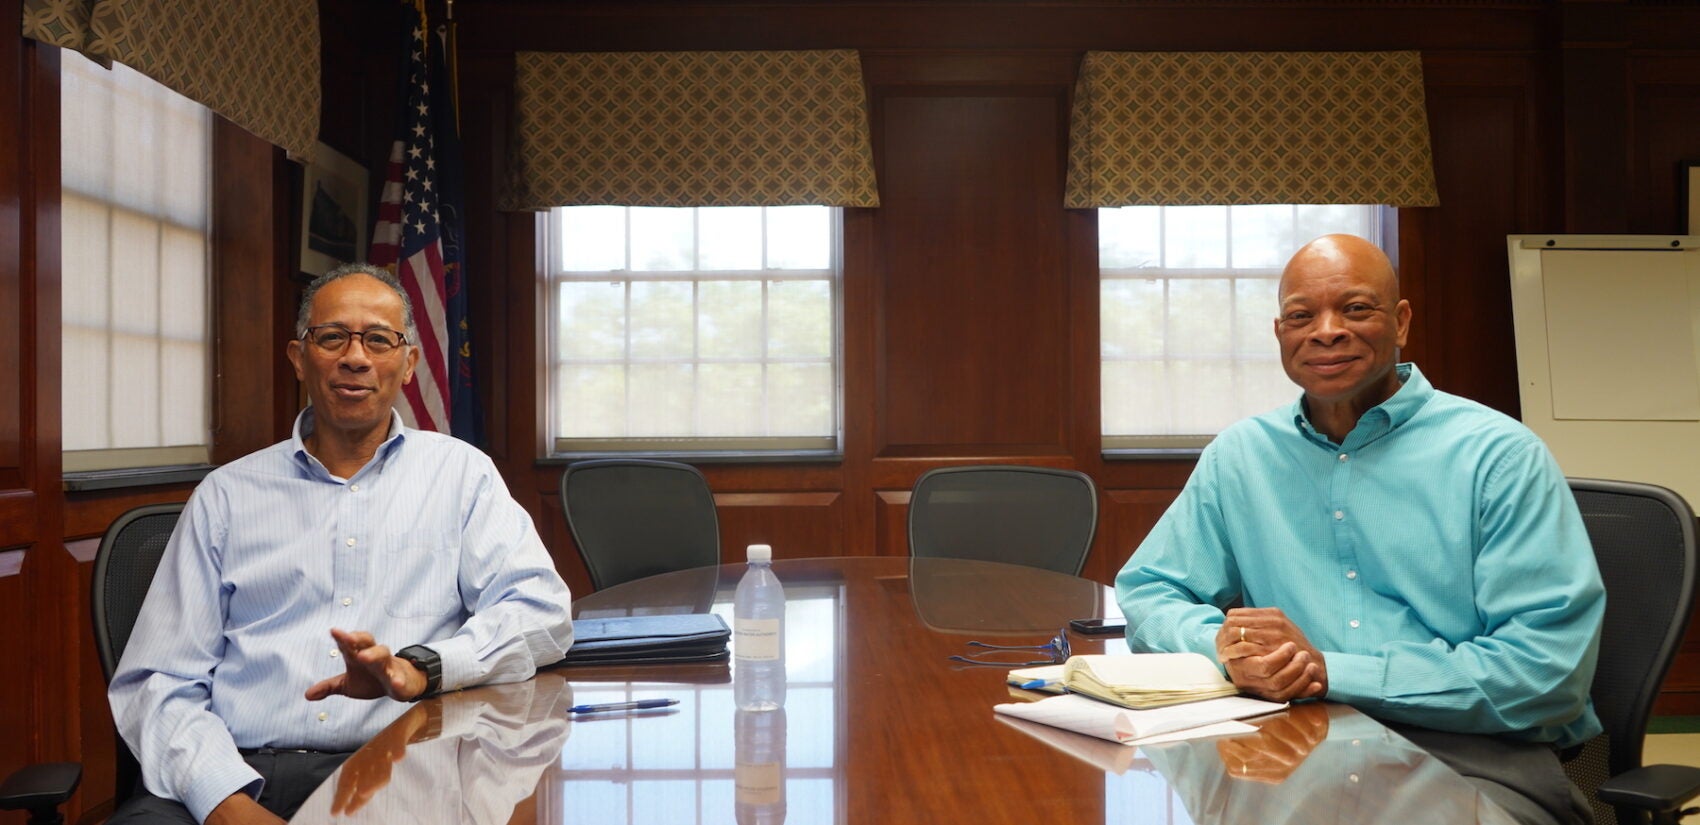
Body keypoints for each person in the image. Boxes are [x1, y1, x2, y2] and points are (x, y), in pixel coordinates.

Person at [1116, 234, 1603, 825]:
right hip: (1289, 747)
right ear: (1280, 335)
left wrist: (1330, 670)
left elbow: (1543, 673)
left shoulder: (1497, 457)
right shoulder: (1241, 455)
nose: (1326, 331)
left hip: (1467, 758)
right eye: (1302, 315)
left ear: (1400, 322)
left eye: (1355, 308)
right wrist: (1225, 647)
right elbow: (1149, 591)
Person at [107, 263, 575, 825]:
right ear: (299, 357)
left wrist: (422, 667)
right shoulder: (226, 495)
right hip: (238, 771)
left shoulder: (461, 475)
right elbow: (159, 680)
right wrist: (225, 804)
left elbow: (541, 612)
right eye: (332, 338)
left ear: (409, 364)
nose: (356, 356)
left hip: (404, 766)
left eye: (379, 339)